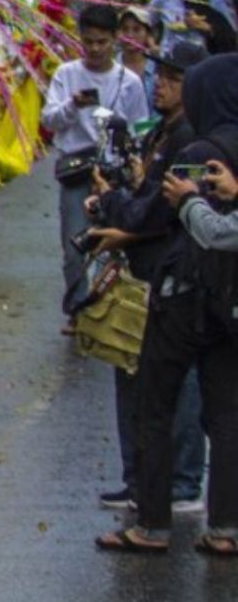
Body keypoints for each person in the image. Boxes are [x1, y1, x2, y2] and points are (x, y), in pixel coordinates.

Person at [97, 53, 238, 554]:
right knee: (226, 415)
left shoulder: (199, 150)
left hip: (184, 295)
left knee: (152, 403)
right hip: (230, 301)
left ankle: (151, 523)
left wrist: (110, 201)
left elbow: (151, 212)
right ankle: (226, 527)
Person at [87, 40, 208, 513]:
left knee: (176, 383)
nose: (162, 85)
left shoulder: (190, 139)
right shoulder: (166, 130)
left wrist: (119, 218)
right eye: (162, 76)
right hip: (145, 268)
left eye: (174, 79)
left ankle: (178, 481)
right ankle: (141, 477)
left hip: (171, 274)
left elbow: (159, 213)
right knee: (134, 373)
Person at [42, 4, 148, 320]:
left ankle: (106, 311)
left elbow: (140, 126)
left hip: (114, 172)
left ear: (114, 39)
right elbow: (49, 120)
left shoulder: (129, 81)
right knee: (75, 245)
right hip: (76, 170)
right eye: (89, 41)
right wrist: (73, 105)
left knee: (113, 244)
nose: (95, 49)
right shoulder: (67, 74)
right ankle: (77, 310)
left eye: (102, 41)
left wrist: (131, 157)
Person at [118, 5, 157, 112]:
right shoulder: (111, 67)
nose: (130, 35)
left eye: (136, 29)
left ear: (148, 34)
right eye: (125, 29)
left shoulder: (157, 69)